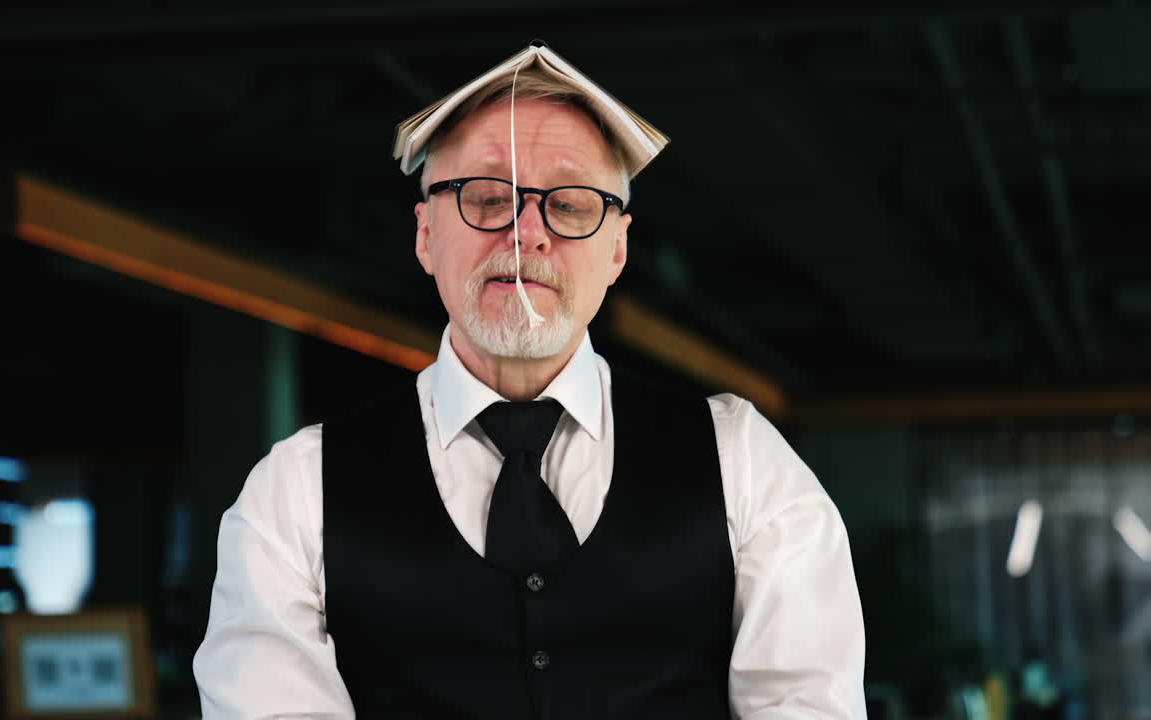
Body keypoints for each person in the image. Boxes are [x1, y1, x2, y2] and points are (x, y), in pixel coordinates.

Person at [194, 44, 867, 719]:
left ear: (618, 249)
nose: (527, 234)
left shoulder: (744, 463)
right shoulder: (295, 493)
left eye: (571, 206)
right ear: (426, 235)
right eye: (487, 198)